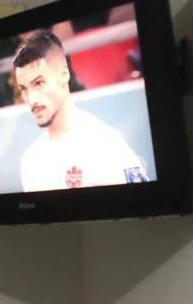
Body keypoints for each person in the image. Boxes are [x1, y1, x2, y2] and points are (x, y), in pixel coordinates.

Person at [13, 30, 148, 191]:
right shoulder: (31, 160)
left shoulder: (104, 145)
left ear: (64, 74)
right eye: (24, 89)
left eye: (39, 83)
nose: (32, 99)